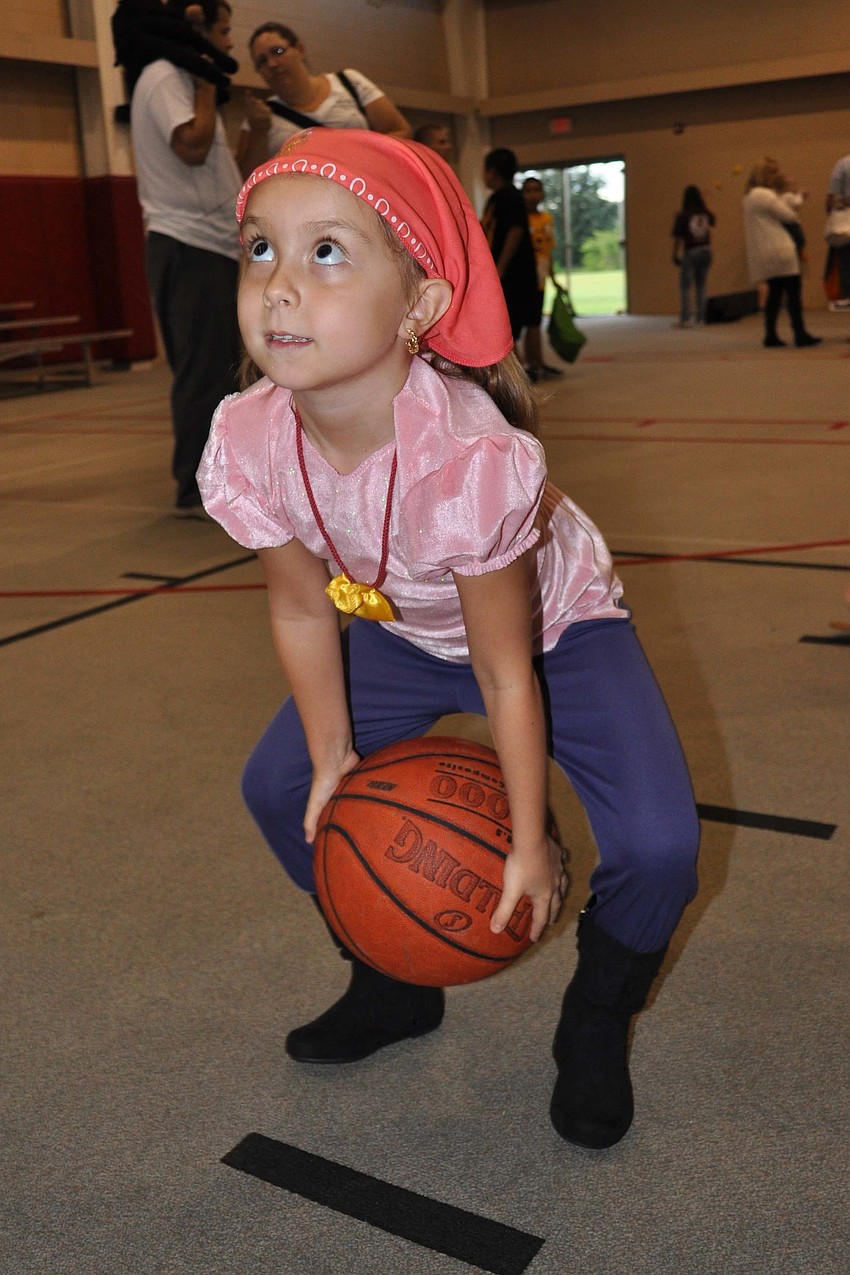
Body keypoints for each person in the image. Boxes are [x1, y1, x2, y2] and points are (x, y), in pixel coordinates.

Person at [197, 129, 700, 1151]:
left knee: (659, 845)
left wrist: (527, 841)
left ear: (419, 306)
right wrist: (334, 756)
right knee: (278, 784)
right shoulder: (248, 437)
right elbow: (300, 608)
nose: (281, 287)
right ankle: (389, 979)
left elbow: (506, 675)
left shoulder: (466, 456)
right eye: (260, 249)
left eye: (327, 251)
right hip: (393, 620)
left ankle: (595, 1024)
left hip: (551, 631)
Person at [130, 0, 243, 512]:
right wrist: (204, 75)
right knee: (203, 370)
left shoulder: (181, 80)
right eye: (222, 32)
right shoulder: (164, 76)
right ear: (196, 32)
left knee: (223, 367)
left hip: (211, 243)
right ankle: (194, 488)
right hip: (187, 244)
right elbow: (192, 147)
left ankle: (218, 477)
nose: (229, 44)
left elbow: (211, 167)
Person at [236, 22, 411, 176]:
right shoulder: (258, 116)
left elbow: (401, 132)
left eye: (278, 51)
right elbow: (247, 178)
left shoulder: (349, 82)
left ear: (300, 49)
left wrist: (356, 156)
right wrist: (259, 131)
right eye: (261, 61)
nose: (272, 64)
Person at [743, 158, 821, 349]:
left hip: (765, 252)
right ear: (764, 175)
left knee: (775, 295)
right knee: (793, 294)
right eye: (773, 172)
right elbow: (789, 215)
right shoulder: (765, 194)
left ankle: (770, 335)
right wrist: (798, 196)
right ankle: (799, 333)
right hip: (780, 249)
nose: (777, 175)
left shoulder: (749, 196)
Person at [481, 148, 540, 373]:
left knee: (510, 324)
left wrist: (500, 267)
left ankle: (519, 373)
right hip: (503, 271)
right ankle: (521, 369)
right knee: (505, 324)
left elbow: (515, 232)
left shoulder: (511, 196)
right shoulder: (496, 198)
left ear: (493, 172)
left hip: (515, 273)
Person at [521, 175, 562, 379]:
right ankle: (531, 362)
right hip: (524, 274)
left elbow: (548, 250)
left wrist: (553, 277)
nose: (533, 194)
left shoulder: (546, 219)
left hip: (540, 274)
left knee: (535, 320)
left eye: (537, 190)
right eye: (528, 190)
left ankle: (537, 361)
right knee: (529, 320)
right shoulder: (520, 219)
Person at [671, 185, 715, 327]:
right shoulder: (705, 213)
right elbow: (713, 220)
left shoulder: (683, 214)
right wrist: (706, 203)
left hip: (691, 251)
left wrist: (675, 253)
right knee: (701, 285)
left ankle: (686, 318)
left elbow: (678, 236)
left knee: (685, 285)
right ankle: (701, 318)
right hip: (707, 250)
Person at [825, 149, 850, 310]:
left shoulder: (843, 164)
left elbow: (831, 200)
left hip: (846, 229)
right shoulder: (844, 164)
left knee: (847, 268)